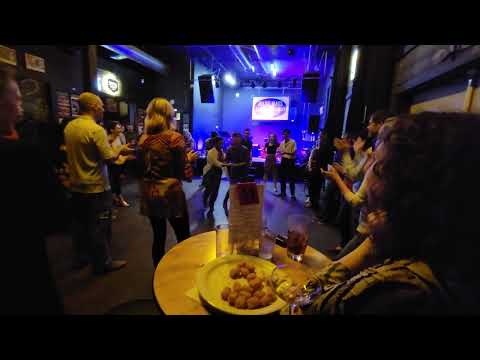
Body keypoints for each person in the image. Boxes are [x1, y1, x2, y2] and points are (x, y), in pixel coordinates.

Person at [302, 112, 480, 315]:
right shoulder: (445, 267)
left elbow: (307, 302)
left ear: (415, 191)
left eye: (380, 169)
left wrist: (370, 245)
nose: (369, 180)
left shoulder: (398, 288)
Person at [0, 66, 63, 314]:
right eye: (15, 97)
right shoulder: (23, 152)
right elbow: (55, 217)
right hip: (22, 259)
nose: (20, 104)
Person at [64, 92, 133, 275]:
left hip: (76, 186)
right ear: (94, 107)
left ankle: (81, 258)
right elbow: (109, 158)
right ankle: (103, 263)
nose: (103, 109)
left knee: (80, 226)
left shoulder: (70, 127)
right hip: (96, 187)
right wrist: (122, 149)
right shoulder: (96, 129)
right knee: (100, 226)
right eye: (101, 106)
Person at [137, 98, 194, 267]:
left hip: (150, 194)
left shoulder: (142, 139)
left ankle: (158, 276)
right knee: (183, 235)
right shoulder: (174, 138)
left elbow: (139, 170)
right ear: (168, 115)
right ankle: (185, 272)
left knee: (158, 236)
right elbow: (184, 174)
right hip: (170, 194)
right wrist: (189, 159)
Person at [223, 132, 251, 215]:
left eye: (236, 139)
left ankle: (240, 206)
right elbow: (227, 160)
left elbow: (246, 162)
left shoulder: (245, 149)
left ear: (240, 139)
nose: (234, 140)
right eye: (233, 139)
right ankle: (227, 201)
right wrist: (225, 162)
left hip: (243, 172)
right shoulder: (229, 149)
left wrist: (235, 164)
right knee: (233, 187)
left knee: (242, 188)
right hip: (234, 172)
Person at [108, 121, 134, 207]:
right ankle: (120, 199)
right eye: (118, 127)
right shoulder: (108, 139)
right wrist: (125, 150)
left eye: (120, 127)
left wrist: (131, 150)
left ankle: (115, 198)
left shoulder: (118, 137)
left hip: (119, 162)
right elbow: (112, 154)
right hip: (113, 164)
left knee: (116, 182)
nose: (120, 128)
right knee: (115, 182)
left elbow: (120, 150)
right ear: (111, 130)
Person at [305, 131, 332, 211]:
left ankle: (314, 203)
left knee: (316, 186)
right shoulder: (319, 144)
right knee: (312, 186)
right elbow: (312, 156)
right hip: (315, 168)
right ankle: (312, 201)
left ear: (325, 136)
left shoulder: (326, 146)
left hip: (319, 169)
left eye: (321, 135)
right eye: (319, 135)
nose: (319, 136)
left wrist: (315, 151)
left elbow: (324, 158)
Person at [203, 136, 226, 214]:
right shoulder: (211, 151)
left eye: (222, 143)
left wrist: (225, 162)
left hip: (218, 173)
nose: (221, 145)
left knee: (215, 191)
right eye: (220, 143)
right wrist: (224, 164)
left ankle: (211, 205)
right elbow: (215, 162)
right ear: (215, 143)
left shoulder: (221, 151)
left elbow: (223, 159)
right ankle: (205, 200)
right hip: (210, 173)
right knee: (209, 189)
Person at [277, 129, 297, 200]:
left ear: (289, 134)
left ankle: (293, 195)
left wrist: (285, 152)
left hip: (290, 161)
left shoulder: (293, 142)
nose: (285, 135)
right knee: (282, 178)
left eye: (286, 134)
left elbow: (294, 153)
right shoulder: (282, 143)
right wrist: (279, 153)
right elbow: (279, 151)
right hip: (283, 161)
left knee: (291, 179)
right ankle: (283, 193)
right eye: (284, 134)